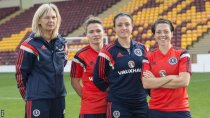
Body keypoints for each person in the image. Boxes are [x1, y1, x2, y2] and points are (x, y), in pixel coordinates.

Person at [15, 3, 67, 118]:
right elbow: (20, 74)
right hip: (37, 99)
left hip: (59, 98)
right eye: (47, 17)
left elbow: (62, 65)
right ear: (39, 20)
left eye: (54, 17)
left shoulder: (62, 43)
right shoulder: (29, 45)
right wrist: (29, 96)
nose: (51, 20)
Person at [93, 13, 149, 118]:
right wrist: (115, 91)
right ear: (114, 28)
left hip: (140, 103)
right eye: (119, 25)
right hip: (118, 104)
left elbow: (148, 74)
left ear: (132, 27)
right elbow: (98, 78)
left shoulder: (143, 49)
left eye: (127, 24)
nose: (124, 28)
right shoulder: (106, 52)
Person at [142, 18, 192, 118]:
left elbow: (183, 82)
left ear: (172, 33)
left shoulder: (182, 54)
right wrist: (172, 77)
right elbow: (146, 83)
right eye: (158, 32)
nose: (162, 35)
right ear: (154, 35)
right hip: (156, 110)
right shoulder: (148, 56)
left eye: (166, 31)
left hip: (180, 109)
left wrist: (155, 81)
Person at [70, 16, 107, 118]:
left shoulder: (112, 51)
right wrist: (86, 96)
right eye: (91, 32)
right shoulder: (80, 55)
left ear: (103, 32)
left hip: (112, 105)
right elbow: (74, 81)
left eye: (98, 31)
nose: (95, 34)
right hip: (90, 109)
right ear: (86, 34)